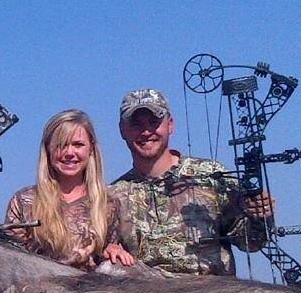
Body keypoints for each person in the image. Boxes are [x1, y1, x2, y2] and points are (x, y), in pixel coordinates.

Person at [111, 88, 274, 276]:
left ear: (170, 125)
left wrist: (261, 215)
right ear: (122, 131)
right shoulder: (113, 195)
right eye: (136, 124)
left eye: (154, 122)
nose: (146, 131)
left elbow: (251, 243)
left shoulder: (212, 175)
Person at [5, 108, 134, 270]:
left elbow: (106, 258)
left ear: (91, 149)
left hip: (89, 292)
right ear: (48, 150)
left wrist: (113, 251)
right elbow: (10, 261)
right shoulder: (24, 201)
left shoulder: (108, 205)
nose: (69, 153)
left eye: (78, 145)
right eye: (61, 145)